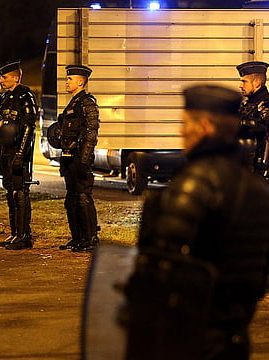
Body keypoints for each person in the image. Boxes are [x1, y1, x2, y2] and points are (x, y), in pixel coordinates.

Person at [122, 84, 269, 360]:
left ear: (203, 127)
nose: (181, 131)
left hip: (186, 340)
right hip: (235, 338)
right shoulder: (257, 190)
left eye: (185, 123)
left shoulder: (194, 184)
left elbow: (160, 274)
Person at [0, 60, 38, 250]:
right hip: (5, 151)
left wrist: (21, 152)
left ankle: (24, 235)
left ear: (16, 78)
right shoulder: (5, 98)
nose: (1, 80)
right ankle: (15, 233)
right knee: (9, 191)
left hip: (18, 151)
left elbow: (29, 126)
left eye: (5, 77)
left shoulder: (25, 96)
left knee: (19, 192)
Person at [56, 65, 100, 252]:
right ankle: (77, 238)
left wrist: (83, 161)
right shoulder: (73, 103)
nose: (67, 82)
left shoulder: (87, 103)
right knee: (72, 198)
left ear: (80, 82)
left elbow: (91, 133)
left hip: (80, 159)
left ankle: (90, 239)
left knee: (82, 197)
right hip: (69, 158)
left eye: (70, 79)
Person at [236, 60, 269, 175]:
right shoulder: (249, 104)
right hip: (245, 169)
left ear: (257, 83)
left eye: (244, 81)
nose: (240, 85)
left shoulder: (265, 105)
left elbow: (262, 129)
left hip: (259, 171)